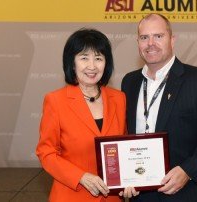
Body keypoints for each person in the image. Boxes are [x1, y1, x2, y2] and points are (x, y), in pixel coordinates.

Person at [121, 13, 197, 202]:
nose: (151, 43)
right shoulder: (130, 82)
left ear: (172, 40)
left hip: (188, 193)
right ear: (138, 42)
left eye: (158, 36)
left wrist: (188, 171)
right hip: (141, 196)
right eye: (144, 37)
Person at [36, 28, 129, 202]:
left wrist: (131, 179)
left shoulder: (119, 98)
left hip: (112, 197)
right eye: (84, 57)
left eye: (99, 58)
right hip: (72, 195)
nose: (92, 66)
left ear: (106, 63)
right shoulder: (55, 101)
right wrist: (81, 177)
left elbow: (123, 148)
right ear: (72, 63)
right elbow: (46, 152)